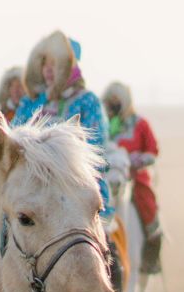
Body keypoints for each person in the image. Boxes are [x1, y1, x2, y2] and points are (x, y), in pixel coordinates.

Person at [16, 30, 112, 222]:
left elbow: (97, 151)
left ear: (69, 66)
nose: (49, 70)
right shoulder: (31, 102)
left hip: (76, 190)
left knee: (98, 245)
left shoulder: (87, 101)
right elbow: (14, 139)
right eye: (45, 64)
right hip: (30, 189)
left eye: (55, 64)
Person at [102, 80, 164, 276]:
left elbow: (153, 149)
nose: (113, 104)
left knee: (147, 205)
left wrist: (139, 159)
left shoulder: (140, 123)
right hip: (110, 177)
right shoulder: (104, 124)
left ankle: (151, 256)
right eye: (110, 100)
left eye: (116, 100)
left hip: (135, 178)